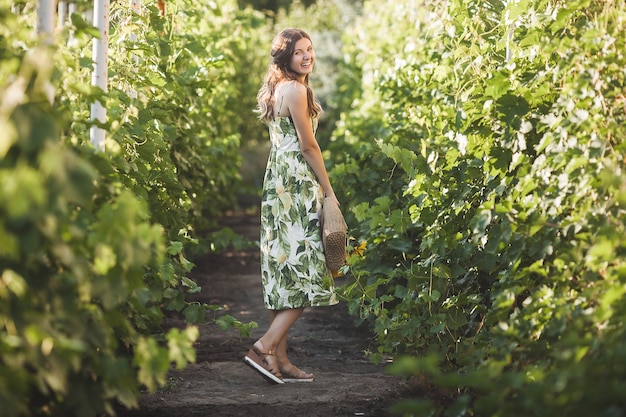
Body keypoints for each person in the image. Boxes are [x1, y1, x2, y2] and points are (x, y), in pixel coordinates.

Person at [243, 28, 340, 384]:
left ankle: (280, 360)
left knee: (283, 268)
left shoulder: (276, 88)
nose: (307, 56)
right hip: (296, 184)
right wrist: (328, 191)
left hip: (276, 183)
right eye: (299, 52)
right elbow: (308, 146)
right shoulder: (296, 90)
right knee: (307, 269)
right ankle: (263, 346)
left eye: (310, 50)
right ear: (285, 57)